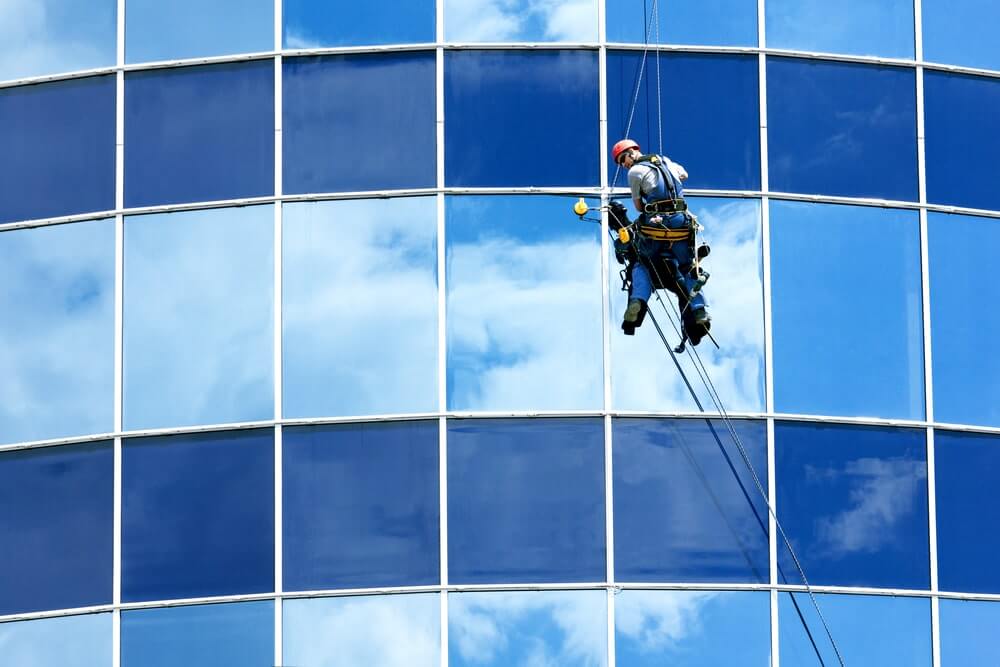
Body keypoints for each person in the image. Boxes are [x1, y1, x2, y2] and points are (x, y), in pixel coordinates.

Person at [610, 139, 710, 343]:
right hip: (681, 223)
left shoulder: (634, 172)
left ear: (631, 153)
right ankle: (699, 308)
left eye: (622, 160)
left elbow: (638, 207)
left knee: (642, 263)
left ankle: (638, 299)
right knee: (687, 267)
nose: (624, 165)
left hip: (656, 226)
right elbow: (684, 175)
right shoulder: (666, 161)